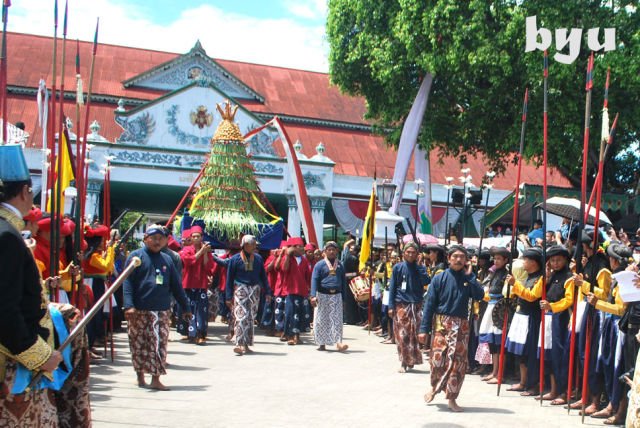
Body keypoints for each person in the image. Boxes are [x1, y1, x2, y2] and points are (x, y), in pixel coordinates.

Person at [123, 225, 191, 390]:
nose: (157, 241)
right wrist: (128, 306)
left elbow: (177, 286)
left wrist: (186, 307)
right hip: (139, 309)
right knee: (138, 343)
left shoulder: (167, 259)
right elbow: (127, 283)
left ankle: (155, 379)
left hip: (161, 310)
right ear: (145, 238)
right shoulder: (135, 257)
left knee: (159, 343)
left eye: (161, 238)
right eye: (153, 238)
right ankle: (140, 376)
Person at [420, 245, 485, 412]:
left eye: (462, 257)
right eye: (455, 256)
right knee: (437, 360)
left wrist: (471, 276)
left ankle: (451, 398)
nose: (458, 260)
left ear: (466, 260)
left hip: (461, 326)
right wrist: (423, 329)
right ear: (449, 258)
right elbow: (429, 304)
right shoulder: (439, 278)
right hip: (441, 323)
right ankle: (434, 387)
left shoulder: (468, 278)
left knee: (457, 364)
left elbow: (479, 295)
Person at [508, 244, 575, 405]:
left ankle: (563, 391)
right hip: (548, 318)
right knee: (547, 356)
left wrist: (552, 306)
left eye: (558, 260)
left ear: (565, 260)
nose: (555, 263)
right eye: (552, 260)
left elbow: (569, 300)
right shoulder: (549, 276)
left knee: (559, 356)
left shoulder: (569, 277)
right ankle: (552, 390)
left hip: (561, 318)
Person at [583, 243, 631, 424]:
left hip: (619, 327)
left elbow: (621, 309)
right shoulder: (617, 278)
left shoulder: (625, 279)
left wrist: (598, 303)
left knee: (617, 366)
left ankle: (618, 408)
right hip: (610, 325)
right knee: (606, 364)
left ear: (614, 260)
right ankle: (611, 403)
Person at [504, 247, 543, 396]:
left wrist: (516, 284)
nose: (523, 263)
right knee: (521, 353)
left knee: (530, 352)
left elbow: (532, 296)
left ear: (533, 262)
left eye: (525, 260)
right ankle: (523, 381)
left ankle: (533, 384)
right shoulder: (528, 276)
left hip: (532, 317)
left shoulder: (541, 278)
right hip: (522, 315)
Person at [225, 235, 272, 355]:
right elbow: (229, 279)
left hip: (254, 290)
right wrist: (228, 296)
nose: (255, 246)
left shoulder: (258, 259)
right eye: (253, 244)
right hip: (240, 289)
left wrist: (267, 291)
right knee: (241, 316)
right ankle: (239, 343)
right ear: (245, 245)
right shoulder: (234, 259)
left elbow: (263, 276)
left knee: (251, 318)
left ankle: (246, 344)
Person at [389, 242, 429, 373]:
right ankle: (403, 361)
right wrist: (391, 306)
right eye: (408, 252)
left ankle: (411, 359)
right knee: (402, 335)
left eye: (413, 252)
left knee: (414, 335)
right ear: (404, 253)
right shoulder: (398, 267)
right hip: (401, 304)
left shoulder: (420, 268)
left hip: (416, 304)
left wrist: (419, 266)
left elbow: (426, 281)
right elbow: (393, 288)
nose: (411, 254)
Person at [478, 246, 510, 384]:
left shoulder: (507, 274)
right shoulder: (495, 272)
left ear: (505, 260)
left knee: (499, 342)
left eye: (499, 258)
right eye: (495, 258)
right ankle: (494, 371)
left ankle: (500, 373)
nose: (496, 261)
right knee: (491, 341)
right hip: (490, 306)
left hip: (500, 309)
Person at [178, 225, 214, 345]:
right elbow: (190, 261)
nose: (196, 238)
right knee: (188, 309)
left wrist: (204, 253)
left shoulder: (207, 250)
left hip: (201, 284)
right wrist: (201, 251)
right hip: (188, 284)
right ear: (191, 238)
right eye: (194, 236)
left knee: (201, 310)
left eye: (198, 236)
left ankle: (201, 334)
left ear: (202, 237)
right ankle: (190, 333)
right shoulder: (186, 250)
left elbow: (208, 267)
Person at [310, 241, 348, 352]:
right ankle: (321, 344)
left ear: (337, 251)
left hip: (336, 296)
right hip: (322, 295)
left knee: (337, 320)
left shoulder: (340, 265)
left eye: (334, 250)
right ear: (325, 251)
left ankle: (338, 343)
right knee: (321, 320)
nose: (331, 252)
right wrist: (313, 295)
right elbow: (314, 280)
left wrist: (344, 299)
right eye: (329, 250)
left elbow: (343, 282)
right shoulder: (319, 265)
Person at [280, 237, 311, 345]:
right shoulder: (288, 258)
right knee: (290, 313)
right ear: (293, 248)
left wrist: (309, 289)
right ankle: (289, 335)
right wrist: (288, 255)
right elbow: (284, 269)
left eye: (303, 246)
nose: (303, 248)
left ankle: (297, 335)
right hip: (290, 290)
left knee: (300, 313)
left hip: (302, 291)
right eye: (300, 246)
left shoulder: (305, 260)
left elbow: (308, 275)